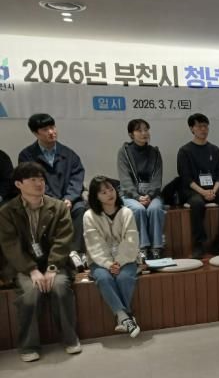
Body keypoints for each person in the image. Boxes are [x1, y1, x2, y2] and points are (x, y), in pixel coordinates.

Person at [0, 162, 81, 362]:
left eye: (41, 179)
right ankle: (28, 345)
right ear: (19, 184)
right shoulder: (7, 211)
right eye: (33, 179)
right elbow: (10, 245)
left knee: (60, 286)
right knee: (30, 292)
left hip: (55, 263)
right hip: (23, 266)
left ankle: (70, 338)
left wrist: (52, 267)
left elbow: (63, 240)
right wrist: (31, 269)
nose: (39, 183)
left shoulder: (58, 207)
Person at [19, 113, 86, 257]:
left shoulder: (69, 154)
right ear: (35, 133)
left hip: (69, 201)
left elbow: (77, 178)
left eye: (52, 127)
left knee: (80, 208)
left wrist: (69, 198)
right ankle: (50, 254)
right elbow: (32, 183)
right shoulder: (27, 155)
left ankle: (74, 253)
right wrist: (55, 202)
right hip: (42, 201)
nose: (51, 132)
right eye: (45, 129)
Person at [84, 176, 141, 338]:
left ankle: (122, 318)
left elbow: (131, 240)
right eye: (103, 192)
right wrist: (108, 264)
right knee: (104, 278)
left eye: (111, 189)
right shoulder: (89, 216)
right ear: (96, 196)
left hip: (126, 258)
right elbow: (94, 244)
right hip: (99, 261)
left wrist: (119, 262)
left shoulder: (126, 212)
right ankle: (125, 316)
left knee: (124, 278)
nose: (109, 194)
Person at [177, 113, 219, 259]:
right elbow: (185, 177)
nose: (203, 129)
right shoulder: (185, 151)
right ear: (192, 129)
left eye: (205, 126)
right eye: (199, 126)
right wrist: (203, 192)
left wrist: (213, 190)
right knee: (197, 204)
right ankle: (199, 244)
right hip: (193, 190)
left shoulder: (215, 150)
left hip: (213, 188)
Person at [117, 119, 165, 260]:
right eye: (139, 130)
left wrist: (149, 195)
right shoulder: (124, 152)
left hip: (151, 195)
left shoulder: (155, 152)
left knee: (155, 208)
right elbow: (125, 179)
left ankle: (156, 248)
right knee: (138, 209)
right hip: (130, 195)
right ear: (131, 134)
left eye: (146, 129)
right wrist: (137, 197)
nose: (144, 133)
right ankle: (142, 248)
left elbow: (157, 178)